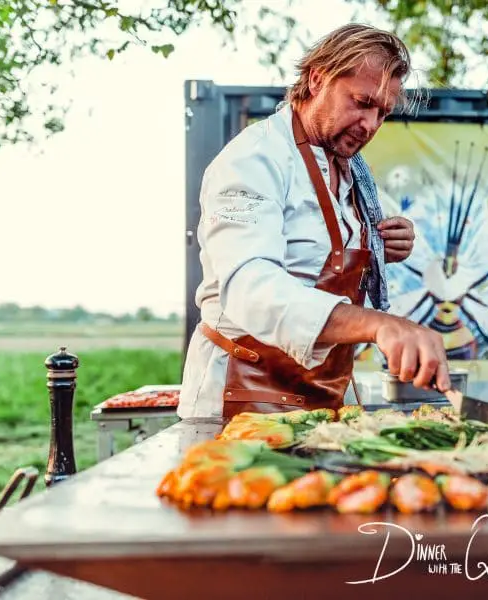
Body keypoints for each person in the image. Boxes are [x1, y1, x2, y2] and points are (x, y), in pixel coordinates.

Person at [178, 23, 451, 420]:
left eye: (382, 113)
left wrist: (381, 245)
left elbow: (317, 255)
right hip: (242, 396)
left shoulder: (351, 170)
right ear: (317, 78)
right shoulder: (253, 159)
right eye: (362, 102)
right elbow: (250, 288)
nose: (370, 125)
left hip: (325, 394)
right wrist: (380, 324)